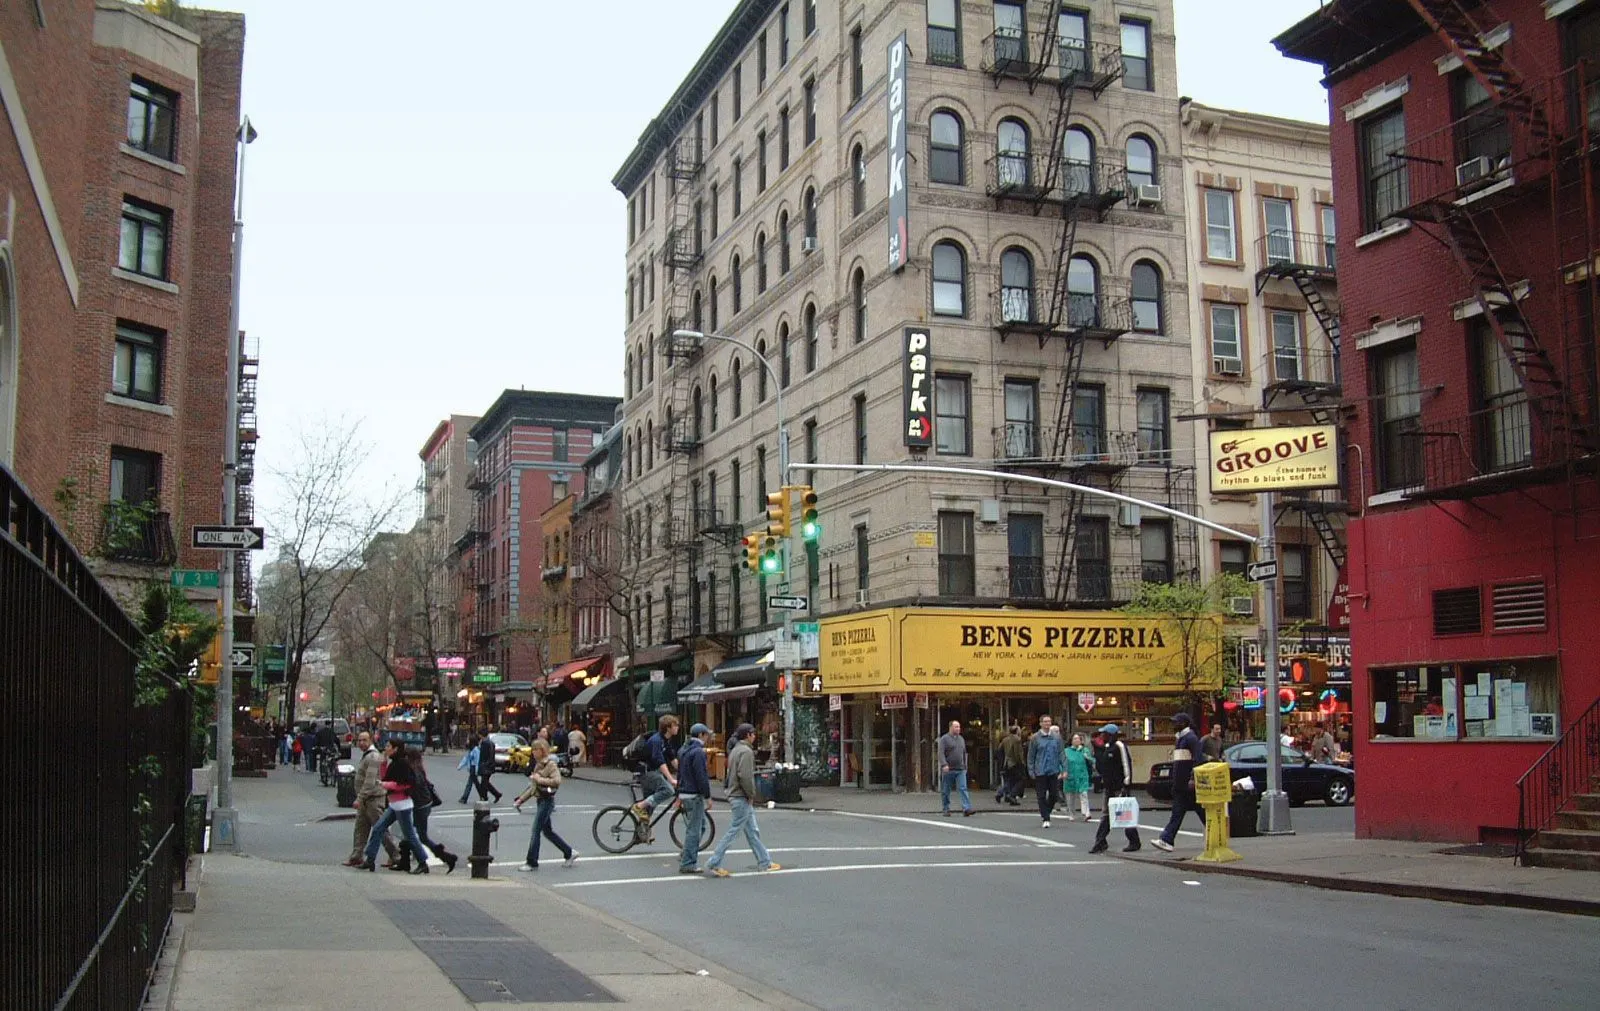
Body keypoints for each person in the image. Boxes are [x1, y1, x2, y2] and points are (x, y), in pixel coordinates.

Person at [706, 723, 781, 877]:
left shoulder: (735, 750)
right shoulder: (746, 752)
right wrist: (751, 794)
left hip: (735, 794)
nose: (755, 736)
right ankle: (714, 862)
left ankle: (764, 861)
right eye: (753, 734)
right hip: (741, 796)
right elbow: (745, 776)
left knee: (752, 831)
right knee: (734, 831)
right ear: (748, 735)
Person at [359, 739, 432, 873]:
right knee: (378, 828)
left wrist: (386, 785)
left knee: (409, 835)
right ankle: (370, 859)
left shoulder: (403, 764)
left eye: (388, 746)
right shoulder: (394, 763)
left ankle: (423, 862)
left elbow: (406, 784)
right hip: (394, 804)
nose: (386, 748)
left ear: (396, 749)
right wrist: (383, 763)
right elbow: (386, 777)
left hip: (402, 804)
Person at [512, 740, 577, 871]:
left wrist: (539, 779)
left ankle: (531, 862)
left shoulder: (550, 764)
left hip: (547, 801)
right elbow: (533, 788)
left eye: (535, 750)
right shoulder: (539, 765)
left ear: (542, 750)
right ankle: (569, 852)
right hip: (541, 800)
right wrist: (521, 800)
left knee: (536, 831)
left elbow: (557, 781)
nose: (533, 752)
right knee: (547, 832)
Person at [396, 748, 457, 873]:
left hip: (421, 806)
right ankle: (406, 861)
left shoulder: (415, 770)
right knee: (411, 834)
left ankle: (444, 858)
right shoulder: (418, 768)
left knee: (418, 836)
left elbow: (415, 786)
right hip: (422, 805)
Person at [1153, 713, 1206, 853]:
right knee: (1195, 812)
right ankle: (1218, 834)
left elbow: (1198, 760)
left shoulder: (1191, 739)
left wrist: (1193, 778)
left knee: (1181, 813)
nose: (1173, 725)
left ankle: (1167, 839)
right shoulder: (1182, 739)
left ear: (1184, 724)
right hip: (1181, 784)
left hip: (1186, 785)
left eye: (1176, 722)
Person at [346, 731, 399, 868]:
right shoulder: (368, 756)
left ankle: (396, 855)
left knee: (380, 829)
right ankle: (356, 856)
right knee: (360, 828)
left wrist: (359, 798)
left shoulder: (374, 757)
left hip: (373, 799)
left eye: (364, 740)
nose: (361, 743)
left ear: (370, 741)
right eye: (359, 740)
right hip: (366, 799)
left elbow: (370, 782)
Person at [1091, 723, 1142, 854]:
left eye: (1104, 733)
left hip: (1119, 787)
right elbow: (1102, 767)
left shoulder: (1119, 746)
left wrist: (1126, 784)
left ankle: (1133, 841)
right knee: (1108, 814)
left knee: (1123, 814)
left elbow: (1126, 764)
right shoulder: (1107, 747)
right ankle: (1101, 841)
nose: (1102, 735)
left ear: (1110, 734)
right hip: (1109, 787)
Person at [629, 715, 681, 837]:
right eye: (675, 725)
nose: (678, 727)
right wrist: (671, 779)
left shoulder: (665, 741)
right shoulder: (656, 740)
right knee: (668, 790)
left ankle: (642, 834)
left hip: (650, 772)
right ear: (668, 728)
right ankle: (638, 806)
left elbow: (673, 760)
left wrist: (686, 773)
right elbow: (660, 762)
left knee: (649, 806)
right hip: (645, 772)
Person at [675, 723, 713, 874]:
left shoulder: (683, 750)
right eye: (707, 734)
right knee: (695, 829)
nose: (708, 737)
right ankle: (688, 862)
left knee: (699, 826)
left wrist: (678, 794)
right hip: (694, 794)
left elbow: (679, 774)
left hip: (685, 792)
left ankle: (687, 853)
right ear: (701, 735)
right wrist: (708, 796)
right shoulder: (698, 752)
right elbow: (701, 776)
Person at [1027, 714, 1065, 827]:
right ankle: (1045, 817)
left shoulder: (1056, 737)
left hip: (1053, 769)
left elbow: (1061, 753)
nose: (1048, 724)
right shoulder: (1035, 738)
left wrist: (1064, 768)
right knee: (1041, 795)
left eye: (1049, 721)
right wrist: (1031, 770)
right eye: (1045, 722)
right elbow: (1031, 755)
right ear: (1041, 723)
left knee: (1054, 794)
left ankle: (1046, 810)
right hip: (1040, 770)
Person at [937, 720, 973, 817]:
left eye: (959, 727)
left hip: (960, 768)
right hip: (948, 769)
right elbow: (940, 753)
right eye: (956, 727)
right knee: (946, 790)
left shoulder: (961, 739)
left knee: (963, 788)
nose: (958, 729)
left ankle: (966, 808)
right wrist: (944, 764)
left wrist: (965, 765)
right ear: (951, 727)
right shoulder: (944, 739)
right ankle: (946, 808)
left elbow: (964, 752)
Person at [1062, 732, 1094, 821]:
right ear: (1071, 741)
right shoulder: (1066, 751)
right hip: (1070, 775)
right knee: (1070, 796)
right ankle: (1071, 813)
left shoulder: (1085, 750)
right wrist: (1063, 772)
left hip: (1082, 775)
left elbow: (1092, 760)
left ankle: (1086, 813)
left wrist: (1088, 757)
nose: (1077, 740)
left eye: (1078, 739)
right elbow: (1062, 763)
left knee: (1084, 794)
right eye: (1074, 739)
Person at [995, 723, 1024, 807]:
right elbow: (1017, 753)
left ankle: (1000, 793)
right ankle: (1012, 795)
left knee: (1009, 780)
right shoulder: (1017, 740)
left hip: (1006, 763)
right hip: (1014, 763)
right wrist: (1021, 763)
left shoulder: (1005, 740)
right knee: (1020, 780)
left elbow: (1000, 750)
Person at [475, 732, 503, 803]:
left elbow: (482, 756)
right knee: (485, 782)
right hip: (490, 765)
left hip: (485, 765)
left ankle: (485, 797)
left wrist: (482, 765)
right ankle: (496, 794)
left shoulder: (484, 743)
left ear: (480, 735)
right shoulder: (491, 743)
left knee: (484, 783)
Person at [457, 732, 481, 804]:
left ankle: (464, 798)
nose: (467, 741)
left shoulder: (476, 750)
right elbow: (466, 758)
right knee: (476, 784)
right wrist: (460, 766)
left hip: (473, 768)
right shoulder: (471, 749)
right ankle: (483, 796)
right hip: (471, 768)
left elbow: (477, 760)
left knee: (469, 784)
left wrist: (476, 769)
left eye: (468, 740)